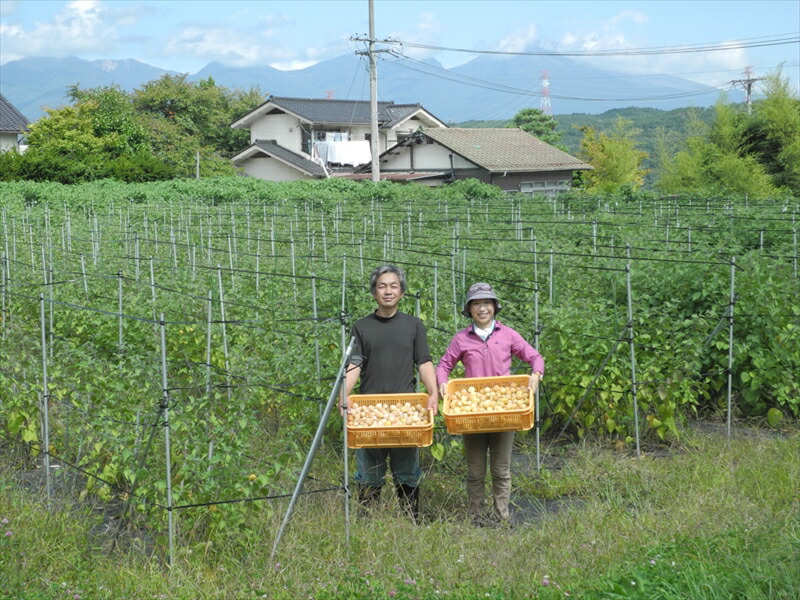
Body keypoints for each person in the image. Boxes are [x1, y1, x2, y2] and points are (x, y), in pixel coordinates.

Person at [436, 282, 544, 526]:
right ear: (469, 309)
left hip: (503, 411)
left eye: (487, 303)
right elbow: (444, 365)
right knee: (475, 471)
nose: (482, 308)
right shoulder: (462, 338)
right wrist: (442, 382)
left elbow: (534, 356)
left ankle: (501, 516)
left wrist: (536, 374)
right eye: (476, 304)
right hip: (472, 412)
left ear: (495, 307)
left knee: (501, 469)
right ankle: (476, 515)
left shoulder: (508, 335)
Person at [341, 265, 439, 522]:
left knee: (407, 468)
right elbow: (355, 363)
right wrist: (344, 394)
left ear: (402, 292)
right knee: (369, 470)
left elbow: (424, 361)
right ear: (374, 292)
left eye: (393, 286)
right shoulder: (362, 326)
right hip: (369, 410)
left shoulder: (414, 325)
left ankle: (411, 520)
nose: (388, 291)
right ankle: (367, 522)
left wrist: (433, 392)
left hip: (405, 409)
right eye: (382, 286)